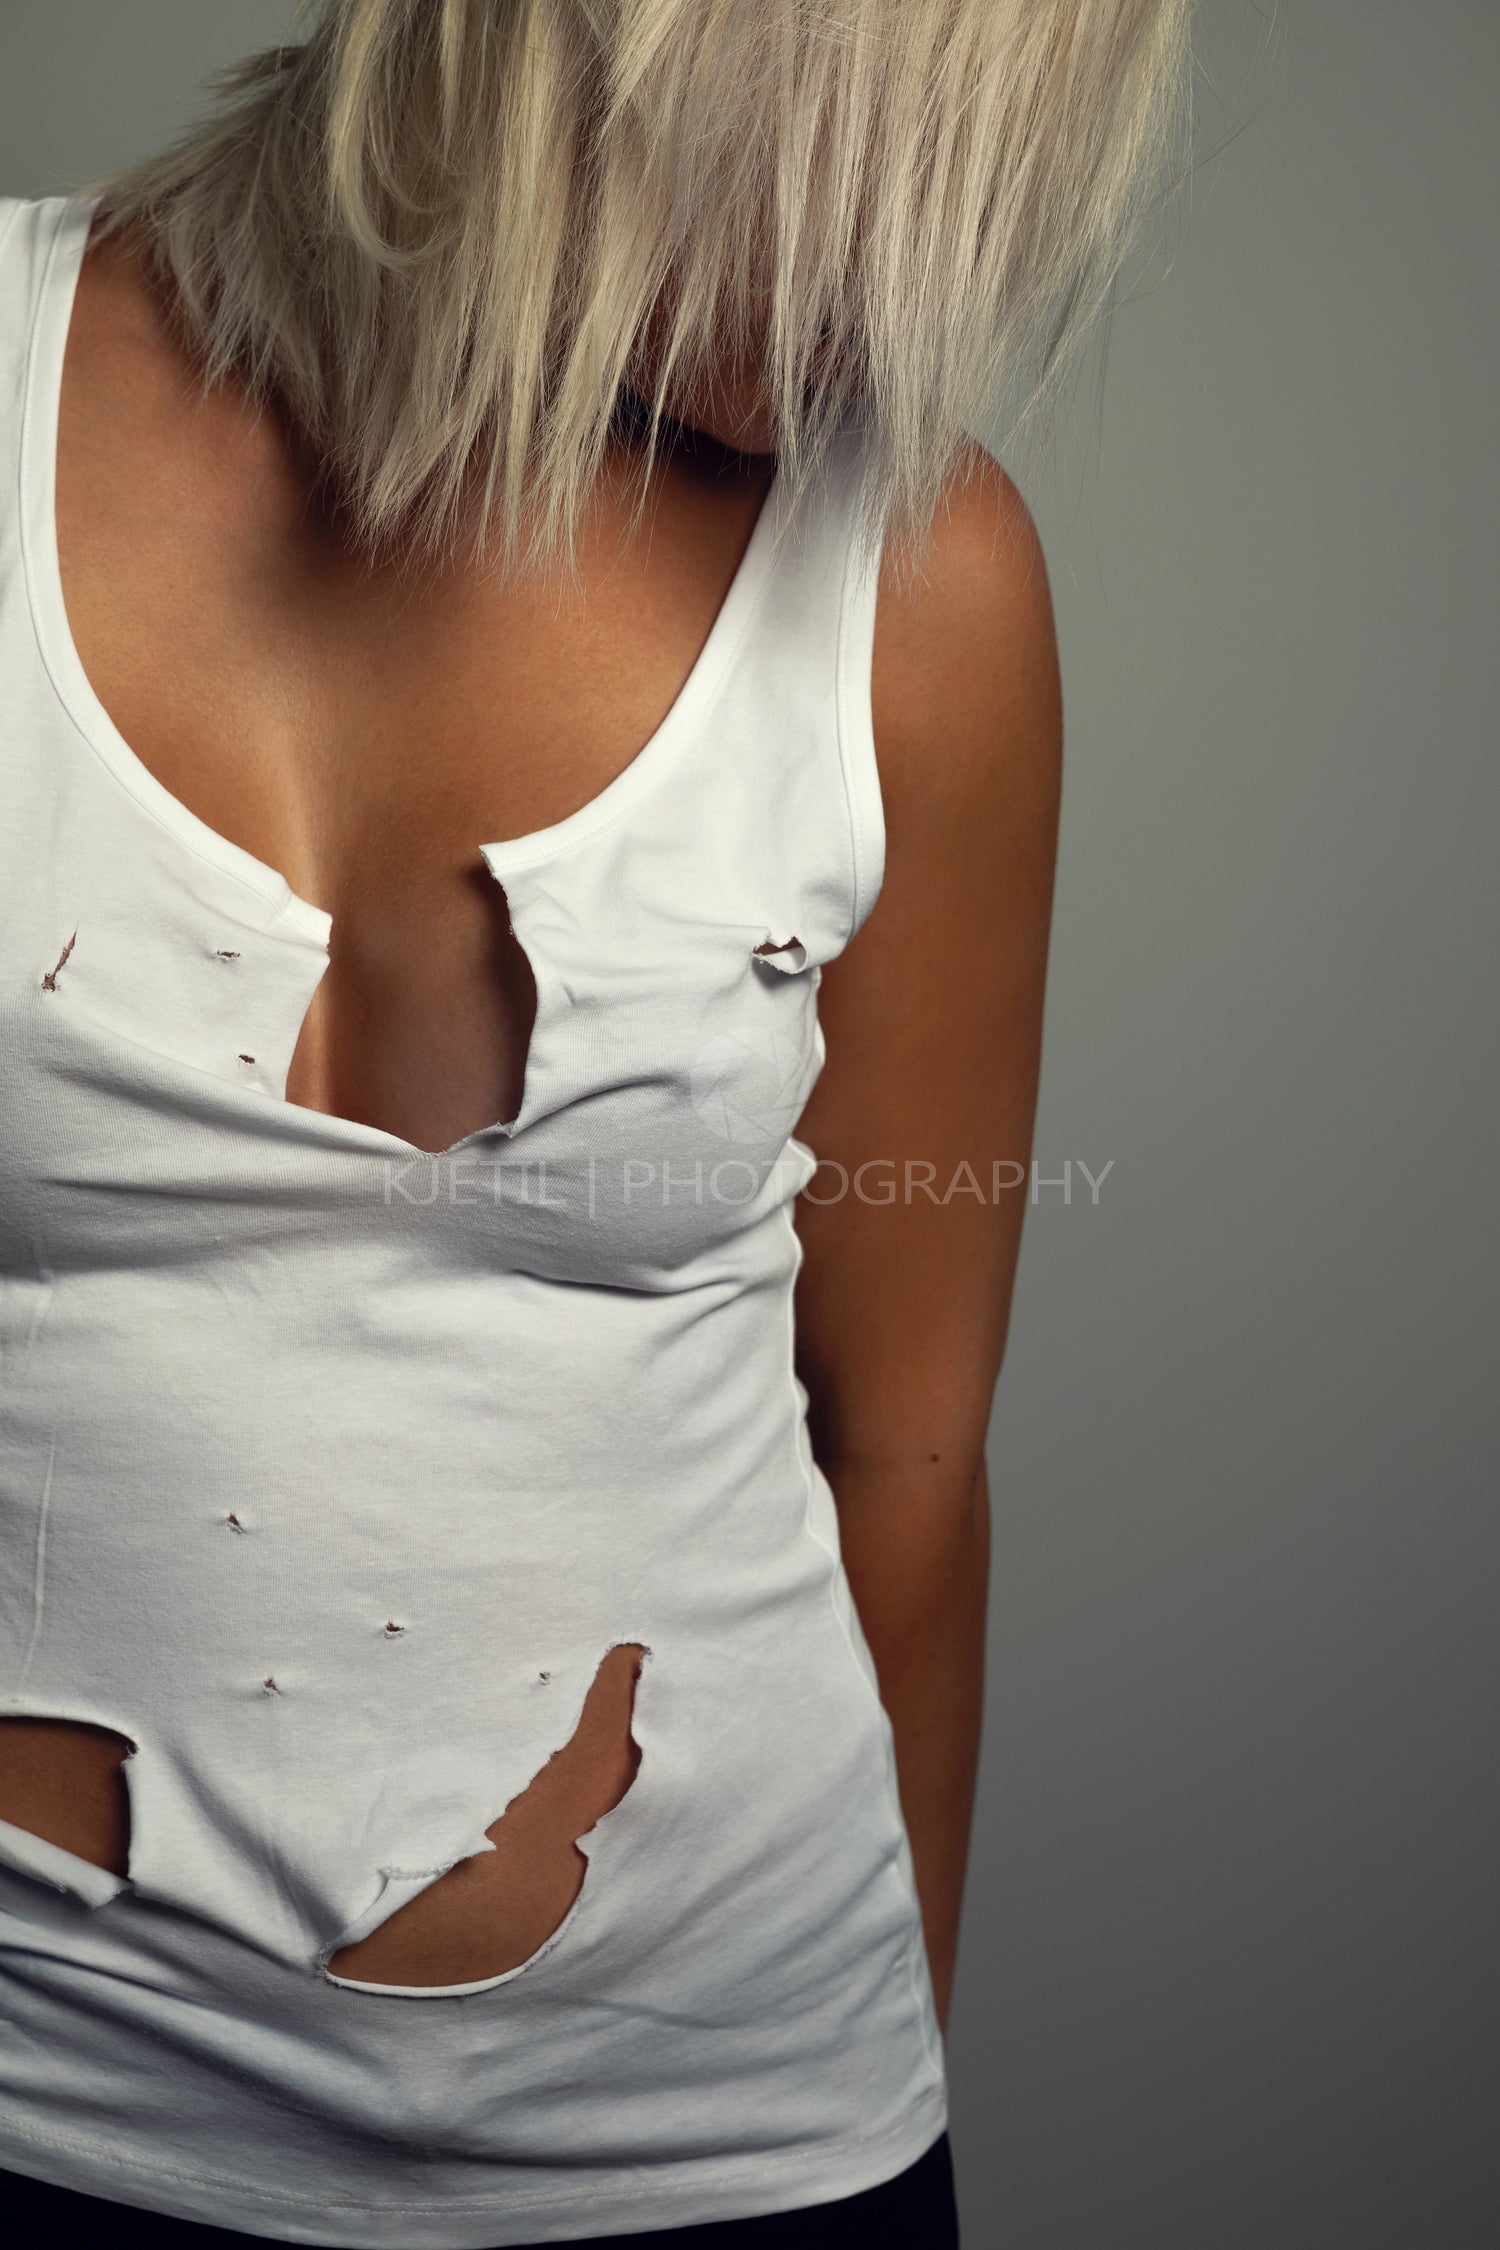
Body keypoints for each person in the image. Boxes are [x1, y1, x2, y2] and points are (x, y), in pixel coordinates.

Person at [0, 4, 1192, 2243]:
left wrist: (875, 2104)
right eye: (808, 175)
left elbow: (906, 1454)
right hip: (42, 2101)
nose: (870, 309)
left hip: (731, 2142)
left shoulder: (917, 587)